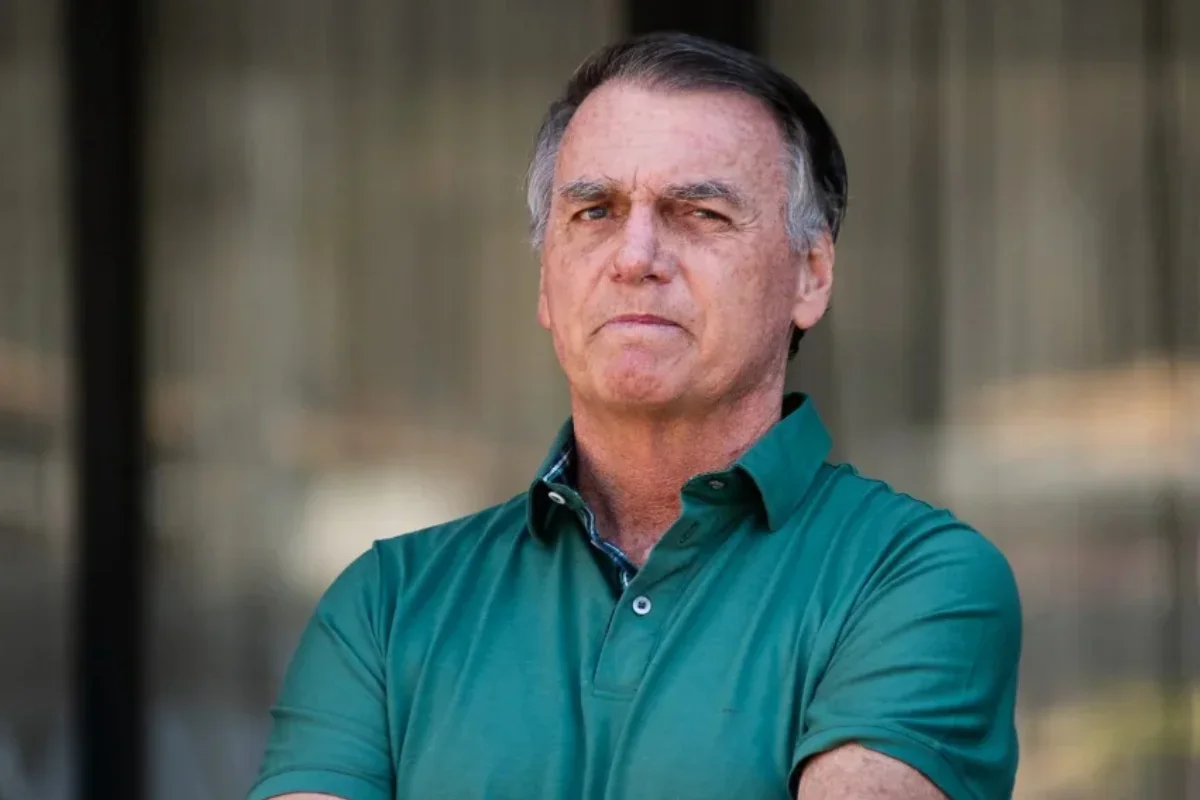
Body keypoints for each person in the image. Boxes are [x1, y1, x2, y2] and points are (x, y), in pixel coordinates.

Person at [247, 31, 1021, 800]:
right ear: (546, 281)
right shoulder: (388, 604)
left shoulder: (917, 580)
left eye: (700, 212)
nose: (635, 256)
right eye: (595, 211)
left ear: (811, 275)